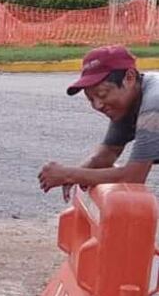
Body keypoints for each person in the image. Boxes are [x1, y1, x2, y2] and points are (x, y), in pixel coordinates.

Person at [38, 45, 157, 200]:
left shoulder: (154, 104)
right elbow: (107, 154)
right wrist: (78, 172)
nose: (97, 105)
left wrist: (69, 175)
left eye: (102, 94)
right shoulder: (131, 98)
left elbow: (133, 177)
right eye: (90, 99)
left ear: (129, 77)